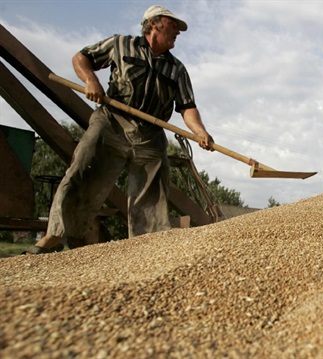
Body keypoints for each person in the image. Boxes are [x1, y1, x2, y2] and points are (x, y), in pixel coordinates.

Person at [24, 5, 214, 254]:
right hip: (112, 122)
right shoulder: (120, 44)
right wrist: (91, 80)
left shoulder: (177, 69)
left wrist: (200, 131)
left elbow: (187, 107)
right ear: (154, 24)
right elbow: (81, 58)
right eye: (173, 25)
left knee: (152, 194)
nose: (178, 31)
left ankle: (145, 249)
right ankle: (54, 237)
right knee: (83, 173)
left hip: (150, 134)